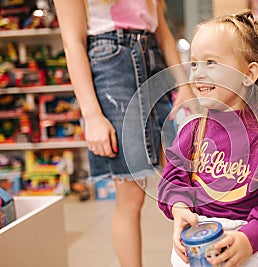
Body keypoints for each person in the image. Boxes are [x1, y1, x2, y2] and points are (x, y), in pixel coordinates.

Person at [158, 9, 258, 267]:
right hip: (198, 239)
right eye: (194, 63)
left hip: (251, 241)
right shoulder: (193, 129)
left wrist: (250, 238)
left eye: (211, 63)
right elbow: (173, 176)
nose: (198, 74)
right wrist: (179, 208)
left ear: (248, 74)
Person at [53, 0, 196, 266]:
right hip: (112, 67)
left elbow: (162, 32)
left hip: (153, 60)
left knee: (183, 179)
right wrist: (92, 115)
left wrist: (184, 85)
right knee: (132, 194)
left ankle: (196, 258)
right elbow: (72, 43)